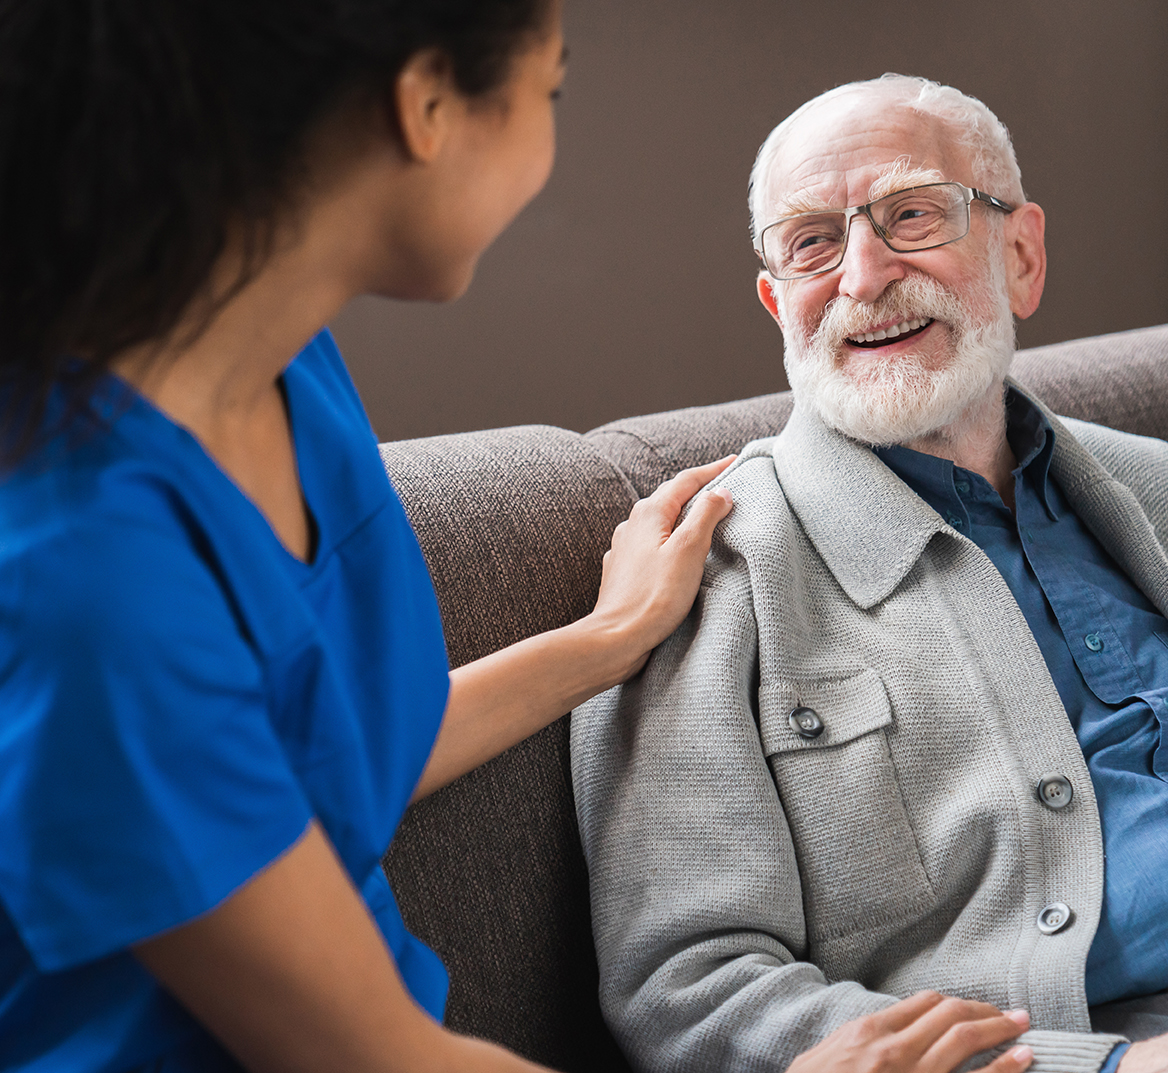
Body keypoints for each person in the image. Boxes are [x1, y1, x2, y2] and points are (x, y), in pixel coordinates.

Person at [0, 3, 755, 1072]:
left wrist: (611, 637)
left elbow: (319, 751)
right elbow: (373, 1054)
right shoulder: (77, 565)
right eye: (549, 91)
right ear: (429, 104)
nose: (549, 143)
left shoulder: (284, 359)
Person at [571, 73, 1168, 1073]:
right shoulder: (713, 569)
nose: (861, 274)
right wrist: (1094, 1068)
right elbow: (689, 990)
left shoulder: (1159, 486)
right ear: (777, 300)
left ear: (1020, 254)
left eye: (910, 214)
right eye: (812, 240)